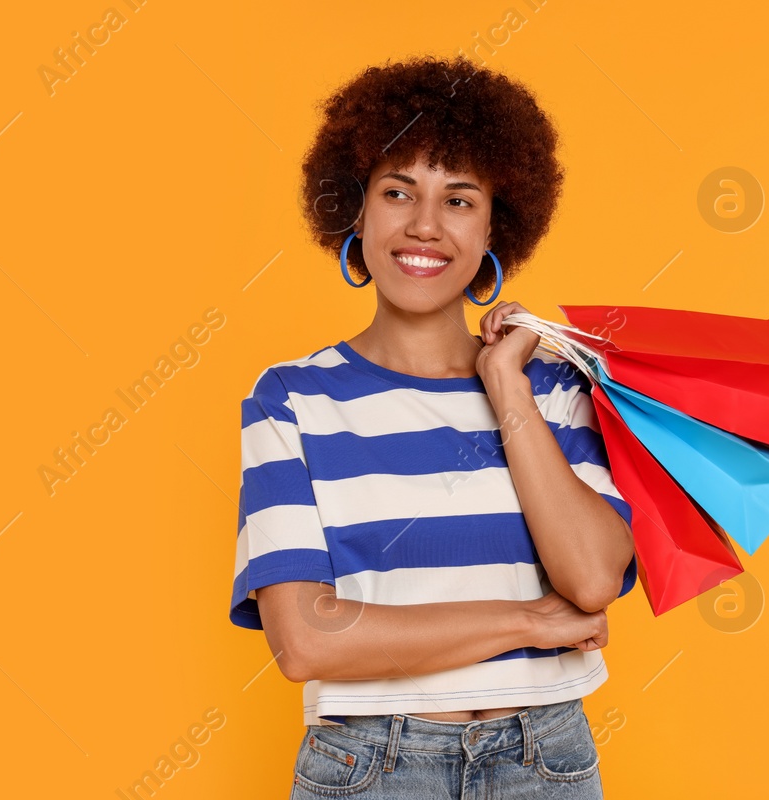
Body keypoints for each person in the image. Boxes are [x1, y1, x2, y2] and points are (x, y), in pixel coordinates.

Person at [228, 54, 638, 798]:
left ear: (495, 228)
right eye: (397, 192)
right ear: (355, 211)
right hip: (373, 767)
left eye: (458, 200)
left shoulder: (552, 389)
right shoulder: (290, 399)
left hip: (547, 758)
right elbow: (306, 638)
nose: (424, 225)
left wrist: (506, 385)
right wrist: (530, 622)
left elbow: (592, 577)